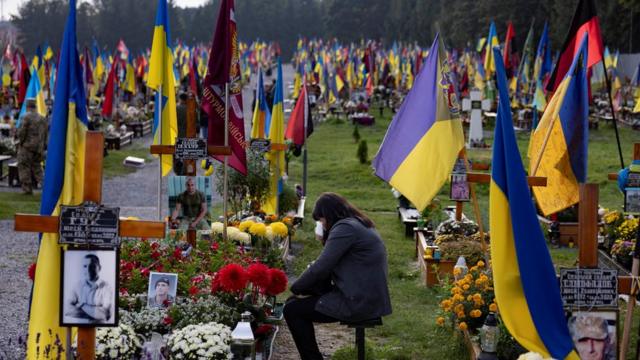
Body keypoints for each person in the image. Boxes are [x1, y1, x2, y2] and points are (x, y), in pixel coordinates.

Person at [284, 193, 392, 360]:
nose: (322, 225)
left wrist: (295, 287)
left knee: (292, 309)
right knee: (293, 303)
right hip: (364, 293)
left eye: (321, 220)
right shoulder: (356, 224)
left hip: (359, 300)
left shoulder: (345, 228)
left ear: (328, 215)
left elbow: (321, 266)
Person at [65, 254, 114, 323]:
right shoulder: (77, 286)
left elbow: (105, 314)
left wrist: (82, 304)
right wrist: (96, 314)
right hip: (78, 329)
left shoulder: (107, 287)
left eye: (92, 266)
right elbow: (67, 310)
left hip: (100, 329)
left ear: (99, 268)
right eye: (85, 266)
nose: (88, 270)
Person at [16, 99, 47, 194]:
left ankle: (27, 189)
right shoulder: (42, 118)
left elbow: (21, 132)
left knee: (24, 166)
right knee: (38, 168)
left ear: (27, 106)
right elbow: (45, 134)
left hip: (27, 147)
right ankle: (46, 187)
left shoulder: (25, 117)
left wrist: (20, 142)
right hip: (39, 148)